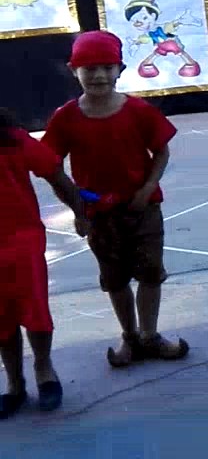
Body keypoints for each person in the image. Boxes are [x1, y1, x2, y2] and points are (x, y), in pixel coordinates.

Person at [42, 31, 189, 367]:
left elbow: (161, 151)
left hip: (143, 209)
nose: (98, 75)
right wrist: (78, 208)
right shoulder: (65, 118)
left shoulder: (138, 111)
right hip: (99, 216)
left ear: (120, 69)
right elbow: (51, 167)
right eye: (88, 68)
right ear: (72, 70)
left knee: (151, 273)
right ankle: (131, 337)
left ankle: (150, 335)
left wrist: (146, 189)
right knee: (115, 278)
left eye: (107, 67)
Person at [0, 108, 84, 417]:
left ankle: (44, 369)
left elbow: (54, 172)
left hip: (21, 241)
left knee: (34, 309)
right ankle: (14, 384)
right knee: (1, 318)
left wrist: (79, 210)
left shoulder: (14, 140)